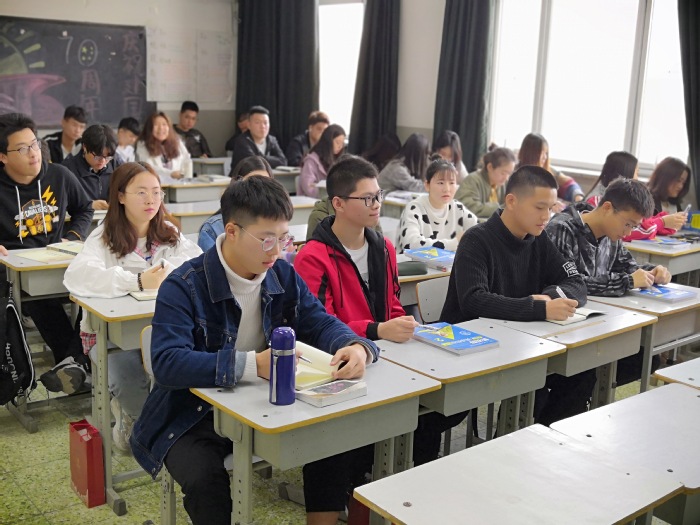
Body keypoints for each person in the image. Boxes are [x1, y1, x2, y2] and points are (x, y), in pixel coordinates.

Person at [130, 175, 377, 525]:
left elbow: (318, 321)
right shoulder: (183, 285)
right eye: (267, 240)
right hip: (193, 416)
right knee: (205, 481)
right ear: (232, 231)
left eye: (284, 238)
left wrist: (355, 346)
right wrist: (250, 365)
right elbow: (168, 363)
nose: (277, 251)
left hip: (262, 405)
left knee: (331, 439)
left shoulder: (281, 274)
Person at [295, 155, 459, 524]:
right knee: (342, 440)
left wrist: (402, 324)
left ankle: (399, 497)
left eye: (378, 196)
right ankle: (357, 496)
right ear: (339, 203)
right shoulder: (313, 256)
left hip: (385, 358)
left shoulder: (382, 247)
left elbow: (393, 305)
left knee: (432, 412)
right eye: (367, 198)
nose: (377, 204)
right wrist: (376, 330)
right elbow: (319, 326)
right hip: (339, 365)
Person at [63, 161, 202, 450]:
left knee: (184, 370)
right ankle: (136, 419)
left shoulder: (169, 233)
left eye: (157, 192)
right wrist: (136, 281)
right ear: (121, 196)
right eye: (141, 192)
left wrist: (168, 271)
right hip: (112, 338)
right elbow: (76, 276)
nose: (151, 199)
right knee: (129, 380)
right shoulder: (102, 237)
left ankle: (159, 428)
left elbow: (197, 263)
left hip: (164, 329)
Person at [441, 165, 593, 426]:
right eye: (539, 207)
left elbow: (575, 281)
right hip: (470, 345)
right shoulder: (477, 240)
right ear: (511, 201)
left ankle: (544, 439)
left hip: (519, 342)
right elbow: (473, 300)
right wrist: (538, 307)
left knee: (580, 373)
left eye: (551, 208)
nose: (546, 216)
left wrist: (549, 297)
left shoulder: (539, 239)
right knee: (533, 383)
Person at [0, 112, 93, 394]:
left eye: (35, 144)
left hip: (57, 262)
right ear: (2, 156)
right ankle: (75, 364)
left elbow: (84, 208)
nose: (34, 153)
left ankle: (73, 363)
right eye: (22, 148)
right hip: (13, 272)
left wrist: (72, 237)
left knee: (94, 292)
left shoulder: (59, 176)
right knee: (42, 300)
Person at [546, 177, 669, 385]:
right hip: (561, 327)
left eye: (634, 226)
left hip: (597, 323)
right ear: (607, 208)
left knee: (645, 358)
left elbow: (629, 267)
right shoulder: (562, 229)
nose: (628, 232)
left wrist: (653, 272)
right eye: (628, 224)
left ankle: (595, 391)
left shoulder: (611, 235)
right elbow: (571, 284)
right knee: (582, 378)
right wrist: (627, 282)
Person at [586, 152, 688, 240]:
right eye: (636, 173)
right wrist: (662, 222)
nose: (637, 179)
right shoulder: (596, 201)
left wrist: (665, 221)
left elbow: (641, 223)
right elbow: (636, 230)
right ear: (625, 176)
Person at [397, 156, 477, 252]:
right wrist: (454, 243)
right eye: (440, 183)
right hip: (414, 261)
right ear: (427, 185)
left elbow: (478, 230)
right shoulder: (414, 208)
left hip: (448, 262)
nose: (447, 189)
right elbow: (410, 244)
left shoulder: (458, 208)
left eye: (452, 183)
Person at [197, 156, 273, 252]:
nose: (259, 190)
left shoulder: (275, 223)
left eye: (266, 184)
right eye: (252, 183)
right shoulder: (212, 229)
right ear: (236, 185)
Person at [62, 124, 122, 210]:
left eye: (108, 157)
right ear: (84, 147)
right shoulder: (67, 170)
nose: (103, 161)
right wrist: (88, 205)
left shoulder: (116, 163)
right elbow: (60, 204)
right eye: (98, 156)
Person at [517, 133, 584, 207]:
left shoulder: (549, 170)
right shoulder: (517, 175)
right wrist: (549, 204)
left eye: (546, 153)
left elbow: (568, 183)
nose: (545, 157)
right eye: (541, 153)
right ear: (530, 154)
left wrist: (577, 196)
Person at [455, 145, 516, 219]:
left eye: (509, 174)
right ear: (490, 167)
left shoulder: (504, 183)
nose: (506, 178)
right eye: (503, 173)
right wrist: (501, 208)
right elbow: (468, 208)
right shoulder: (472, 180)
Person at [135, 112, 191, 184]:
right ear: (149, 128)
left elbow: (187, 159)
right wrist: (170, 173)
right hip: (153, 185)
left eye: (164, 124)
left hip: (177, 184)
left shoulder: (177, 142)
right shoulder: (142, 144)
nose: (161, 128)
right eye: (156, 125)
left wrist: (184, 173)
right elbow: (148, 167)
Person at [229, 105, 286, 172]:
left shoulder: (272, 140)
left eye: (265, 122)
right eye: (257, 122)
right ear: (249, 125)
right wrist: (270, 160)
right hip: (242, 177)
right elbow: (254, 163)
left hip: (264, 177)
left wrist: (261, 158)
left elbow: (283, 161)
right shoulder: (242, 141)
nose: (263, 126)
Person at [296, 124, 346, 198]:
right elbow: (309, 188)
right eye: (337, 142)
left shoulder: (339, 161)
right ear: (328, 142)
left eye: (342, 143)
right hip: (313, 201)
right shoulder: (311, 161)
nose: (340, 146)